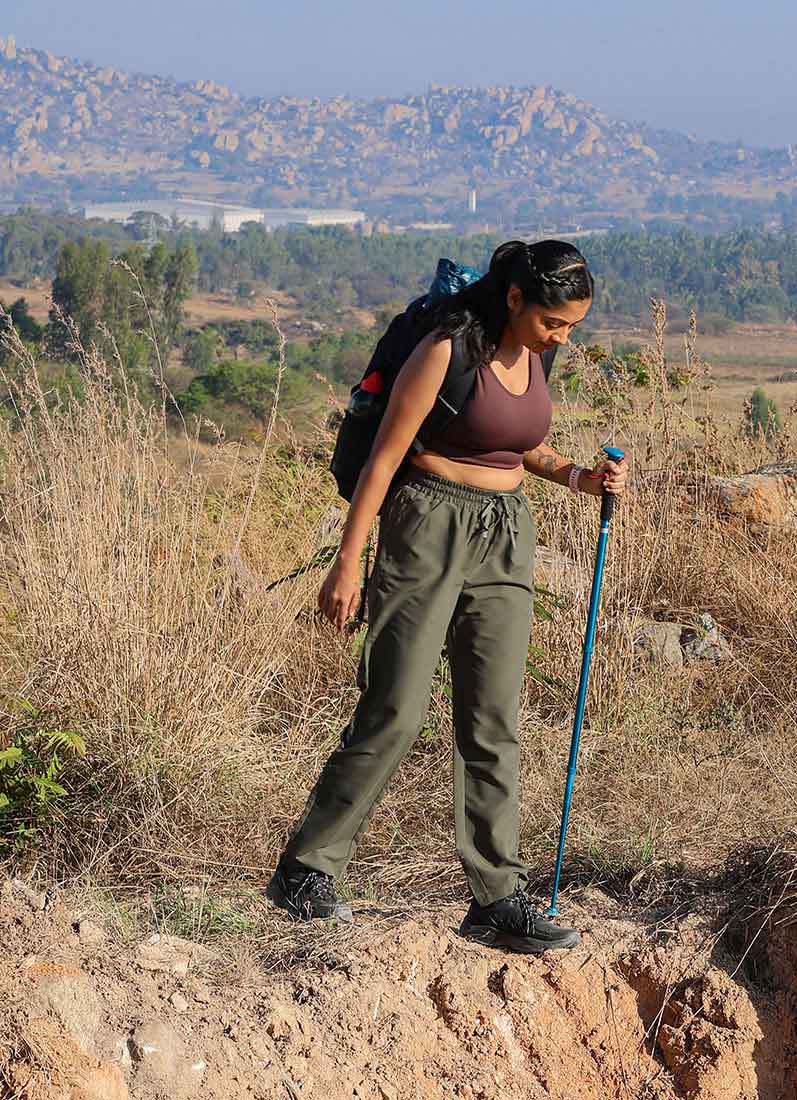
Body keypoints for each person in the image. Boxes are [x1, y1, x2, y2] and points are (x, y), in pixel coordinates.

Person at [266, 240, 629, 953]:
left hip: (506, 535)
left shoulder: (537, 352)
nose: (562, 338)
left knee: (493, 720)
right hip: (427, 524)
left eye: (572, 329)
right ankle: (305, 870)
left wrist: (580, 478)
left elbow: (511, 443)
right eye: (555, 324)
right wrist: (347, 563)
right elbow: (385, 457)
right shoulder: (446, 347)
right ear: (518, 299)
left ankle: (497, 898)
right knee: (394, 710)